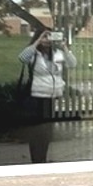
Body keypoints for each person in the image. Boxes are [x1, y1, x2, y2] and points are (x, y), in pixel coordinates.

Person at [18, 28, 76, 163]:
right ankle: (36, 159)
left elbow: (72, 63)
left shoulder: (57, 54)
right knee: (37, 132)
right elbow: (22, 57)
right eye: (45, 37)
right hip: (37, 96)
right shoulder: (34, 54)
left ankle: (42, 158)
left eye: (50, 37)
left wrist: (64, 47)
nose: (47, 41)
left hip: (51, 96)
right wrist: (37, 41)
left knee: (47, 132)